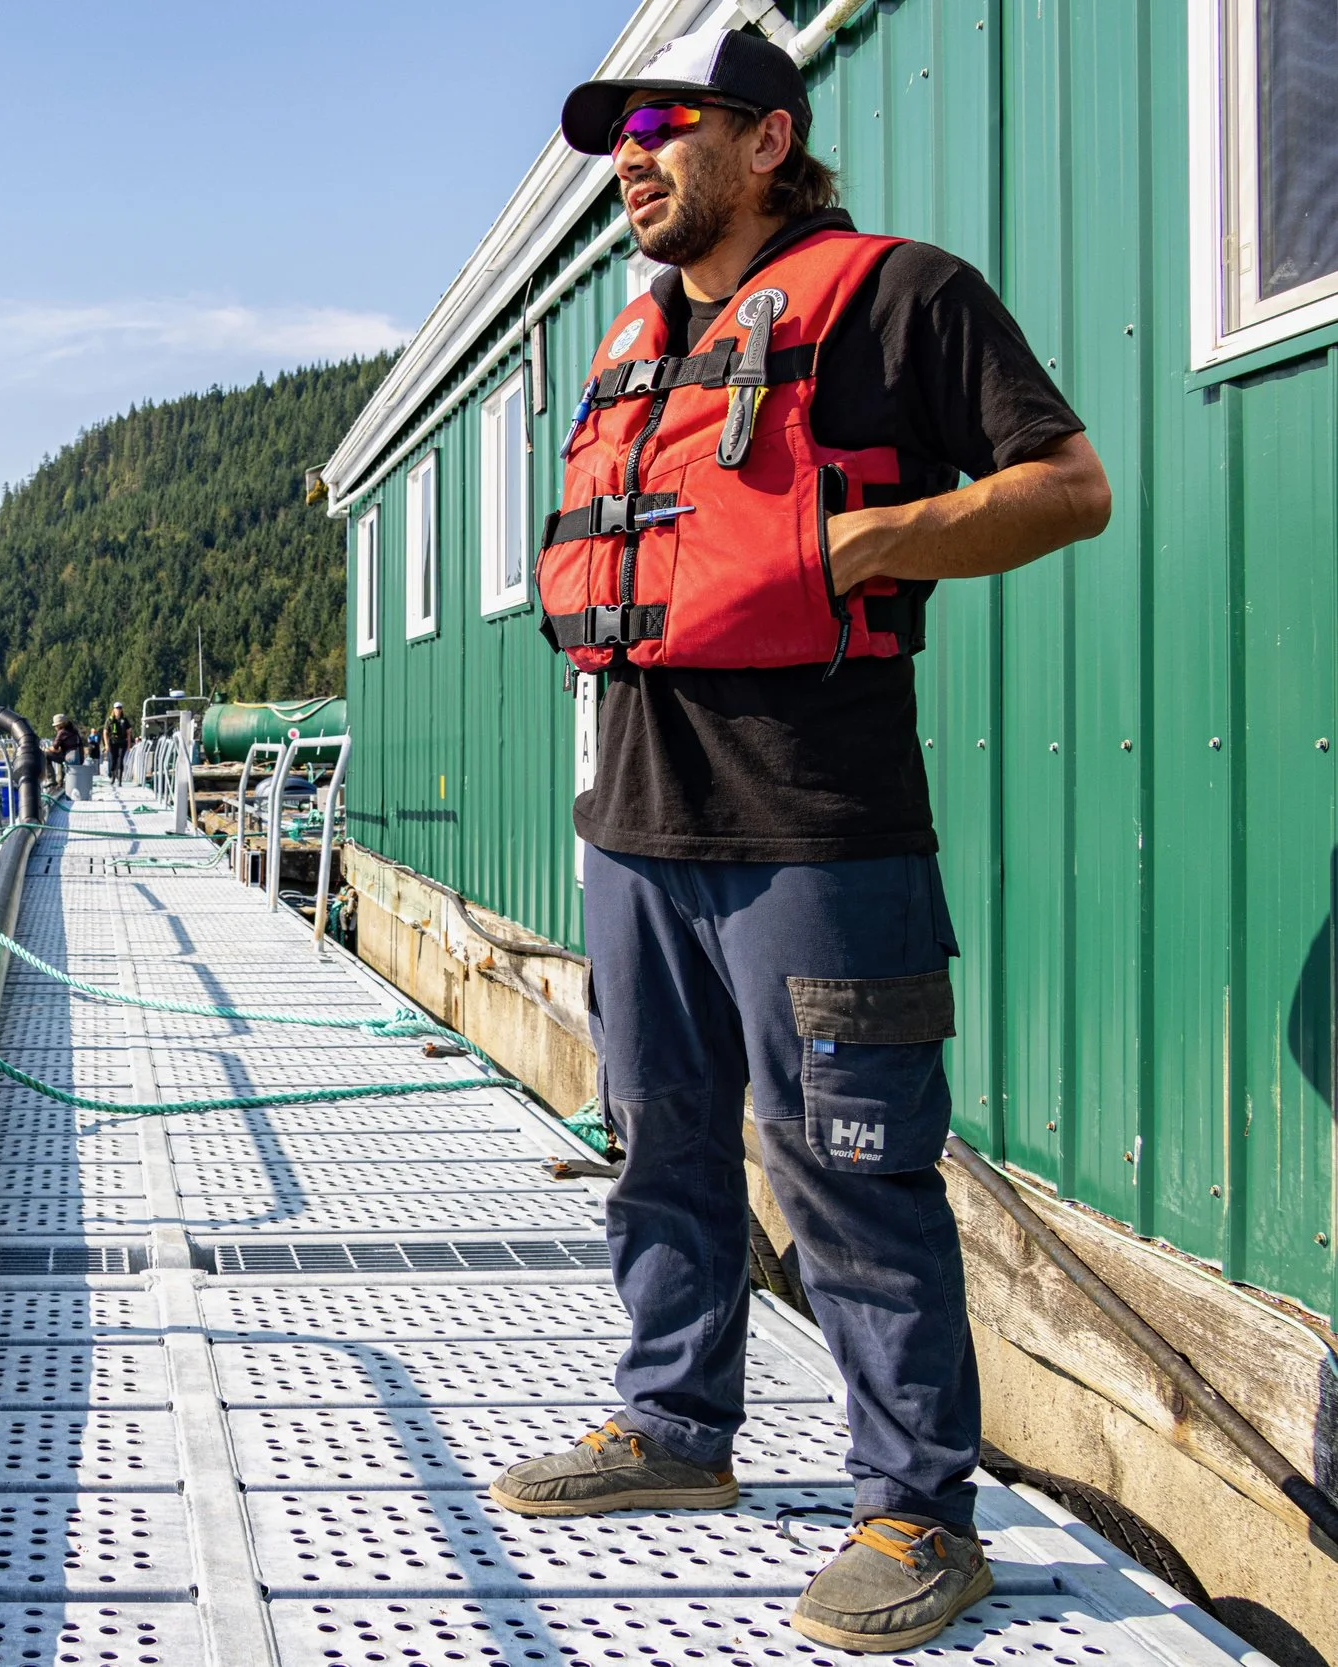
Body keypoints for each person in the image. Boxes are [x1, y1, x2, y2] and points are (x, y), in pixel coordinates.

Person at [485, 25, 1110, 1656]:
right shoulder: (636, 341)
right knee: (660, 1148)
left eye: (663, 123)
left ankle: (919, 1509)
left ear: (767, 139)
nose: (630, 155)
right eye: (614, 134)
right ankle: (675, 1423)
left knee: (850, 1172)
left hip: (821, 836)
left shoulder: (904, 297)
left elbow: (1069, 487)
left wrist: (865, 539)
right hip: (634, 827)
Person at [46, 713, 86, 802]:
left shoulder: (62, 732)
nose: (55, 727)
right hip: (78, 757)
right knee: (62, 756)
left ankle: (51, 782)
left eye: (56, 725)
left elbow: (55, 747)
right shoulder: (73, 729)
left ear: (61, 724)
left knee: (46, 755)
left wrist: (46, 749)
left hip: (71, 758)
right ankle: (60, 782)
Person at [102, 703, 136, 788]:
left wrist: (129, 745)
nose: (118, 710)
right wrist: (106, 745)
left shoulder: (124, 720)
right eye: (117, 708)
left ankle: (120, 780)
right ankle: (113, 777)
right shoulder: (109, 720)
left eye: (120, 708)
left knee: (120, 760)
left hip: (122, 741)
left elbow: (128, 733)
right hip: (113, 742)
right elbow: (105, 732)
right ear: (114, 709)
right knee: (113, 759)